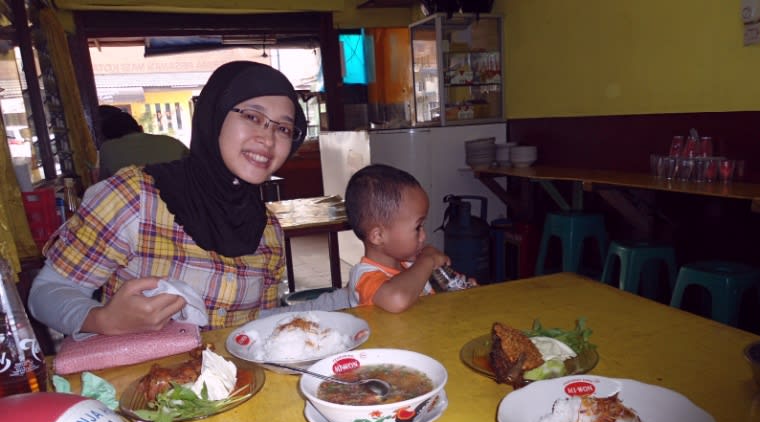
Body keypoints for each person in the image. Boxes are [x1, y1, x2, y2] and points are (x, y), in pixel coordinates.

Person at [28, 60, 324, 338]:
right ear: (214, 115)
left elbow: (262, 326)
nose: (269, 139)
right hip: (140, 387)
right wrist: (101, 319)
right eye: (252, 116)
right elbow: (47, 291)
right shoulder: (134, 198)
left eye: (283, 128)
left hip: (235, 387)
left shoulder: (267, 229)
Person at [344, 163, 453, 313]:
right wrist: (427, 260)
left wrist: (455, 286)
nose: (423, 236)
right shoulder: (364, 277)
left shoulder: (409, 266)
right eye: (417, 227)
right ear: (378, 236)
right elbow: (397, 299)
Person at [97, 109, 190, 179]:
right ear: (141, 128)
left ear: (106, 138)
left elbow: (104, 185)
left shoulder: (107, 149)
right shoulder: (172, 143)